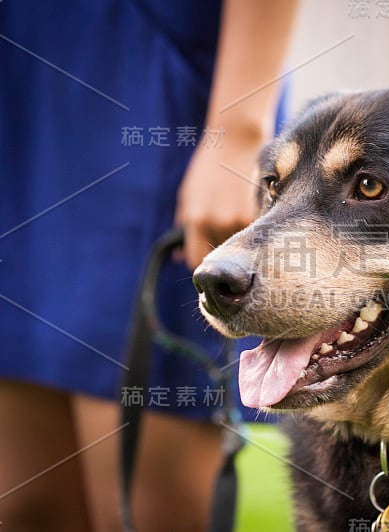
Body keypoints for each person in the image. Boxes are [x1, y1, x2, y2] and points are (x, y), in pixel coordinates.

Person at [0, 1, 298, 530]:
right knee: (26, 507)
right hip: (25, 84)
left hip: (152, 84)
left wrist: (237, 130)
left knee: (141, 510)